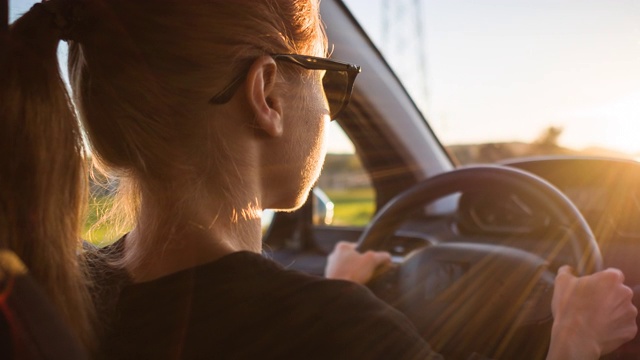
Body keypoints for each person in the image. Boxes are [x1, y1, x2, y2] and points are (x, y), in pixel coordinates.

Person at [5, 0, 637, 359]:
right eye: (328, 80)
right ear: (267, 93)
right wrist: (575, 341)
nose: (332, 107)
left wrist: (331, 290)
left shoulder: (52, 299)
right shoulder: (338, 333)